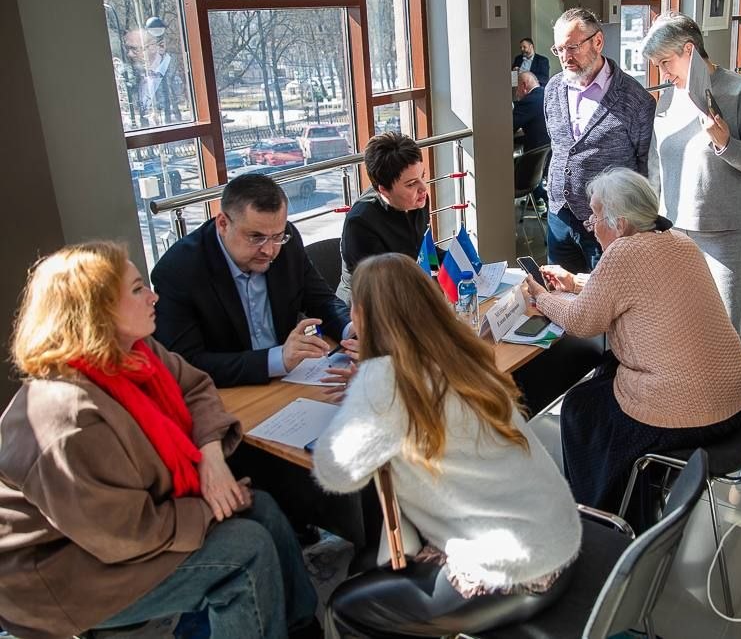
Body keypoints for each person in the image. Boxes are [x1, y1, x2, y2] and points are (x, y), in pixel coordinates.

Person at [0, 242, 318, 639]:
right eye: (137, 290)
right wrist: (208, 506)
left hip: (127, 529)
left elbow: (197, 387)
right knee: (245, 549)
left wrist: (211, 459)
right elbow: (123, 536)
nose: (154, 296)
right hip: (64, 574)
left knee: (263, 508)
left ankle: (302, 626)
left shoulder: (135, 351)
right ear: (96, 312)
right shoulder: (70, 420)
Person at [314, 253, 580, 637]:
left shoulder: (382, 382)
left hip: (517, 573)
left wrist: (361, 396)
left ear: (361, 316)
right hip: (558, 540)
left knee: (344, 606)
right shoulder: (464, 357)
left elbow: (334, 472)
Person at [522, 168, 741, 532]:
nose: (590, 225)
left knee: (583, 406)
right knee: (607, 382)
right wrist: (577, 282)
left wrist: (542, 297)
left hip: (693, 413)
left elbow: (584, 321)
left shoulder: (623, 255)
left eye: (596, 216)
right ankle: (635, 500)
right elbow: (632, 290)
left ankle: (604, 519)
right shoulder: (677, 241)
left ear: (621, 223)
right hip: (738, 399)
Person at [642, 13, 741, 342]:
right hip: (674, 238)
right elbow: (657, 169)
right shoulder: (671, 99)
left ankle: (739, 396)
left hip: (727, 239)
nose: (662, 73)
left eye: (665, 62)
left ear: (689, 50)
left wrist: (726, 144)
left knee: (725, 337)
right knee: (683, 335)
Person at [152, 172, 353, 388]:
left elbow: (321, 301)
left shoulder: (286, 242)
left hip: (291, 380)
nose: (268, 250)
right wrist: (277, 359)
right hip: (228, 393)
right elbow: (186, 363)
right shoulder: (179, 270)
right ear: (222, 224)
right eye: (256, 238)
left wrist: (351, 331)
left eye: (277, 236)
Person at [544, 7, 656, 273]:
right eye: (559, 49)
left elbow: (645, 168)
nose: (565, 57)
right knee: (559, 297)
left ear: (598, 41)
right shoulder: (552, 89)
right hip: (559, 217)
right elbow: (558, 148)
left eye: (572, 47)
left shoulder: (636, 100)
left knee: (606, 307)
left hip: (609, 223)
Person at [337, 132, 429, 302]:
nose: (423, 188)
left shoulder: (417, 200)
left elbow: (422, 250)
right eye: (411, 184)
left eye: (422, 177)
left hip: (408, 294)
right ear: (384, 190)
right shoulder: (360, 223)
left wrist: (456, 261)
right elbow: (379, 290)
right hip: (366, 310)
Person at [123, 27, 184, 126]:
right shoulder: (136, 76)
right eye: (127, 49)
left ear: (160, 46)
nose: (129, 54)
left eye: (135, 49)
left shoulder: (176, 73)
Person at [513, 70, 550, 152]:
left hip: (535, 152)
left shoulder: (529, 101)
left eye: (516, 89)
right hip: (548, 148)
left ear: (524, 85)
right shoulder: (546, 94)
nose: (516, 94)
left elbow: (509, 127)